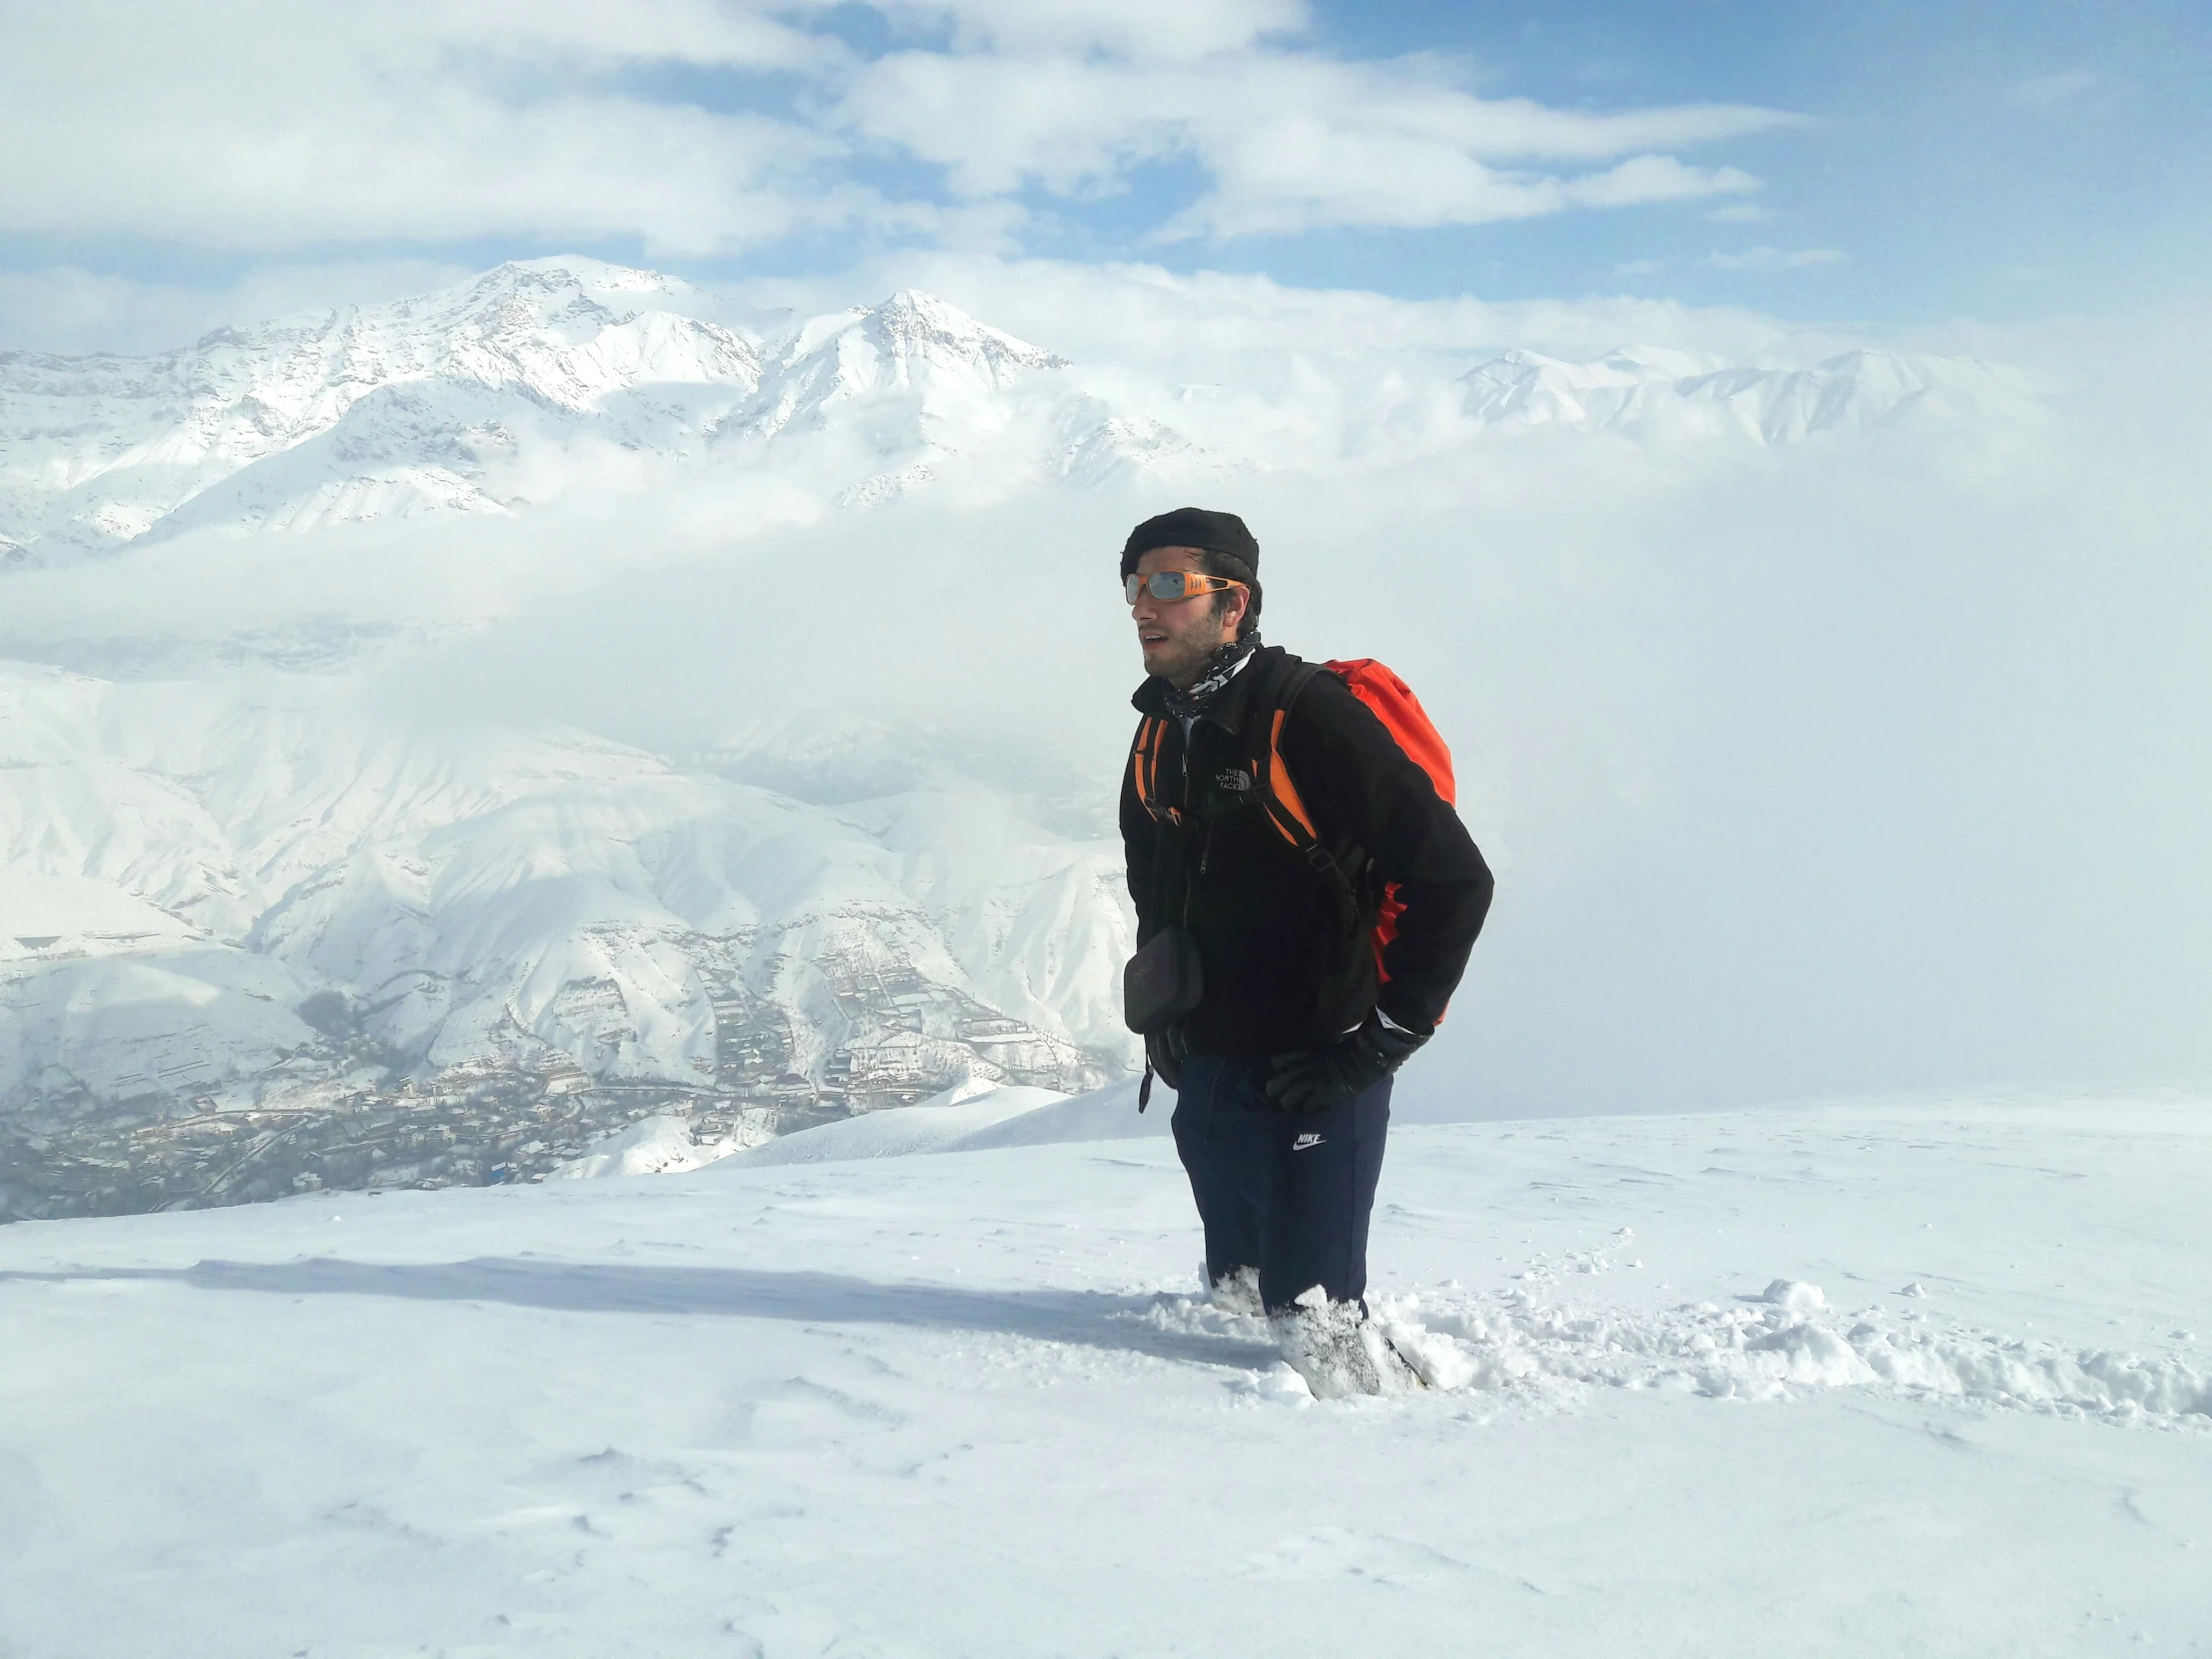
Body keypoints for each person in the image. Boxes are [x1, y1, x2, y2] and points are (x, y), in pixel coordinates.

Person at [1118, 506, 1493, 1395]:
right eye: (1134, 585)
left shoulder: (1310, 720)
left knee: (1314, 1325)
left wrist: (1386, 1038)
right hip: (1207, 1066)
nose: (1143, 605)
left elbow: (1453, 879)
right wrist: (1164, 1014)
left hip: (1322, 1059)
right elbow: (1153, 877)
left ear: (1234, 602)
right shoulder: (1161, 729)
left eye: (1169, 585)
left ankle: (1413, 1456)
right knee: (1236, 1291)